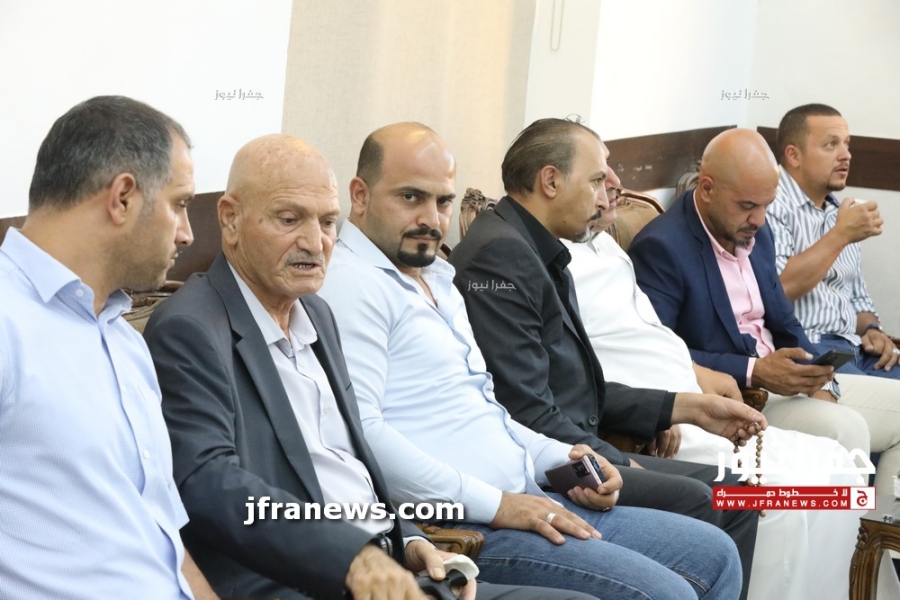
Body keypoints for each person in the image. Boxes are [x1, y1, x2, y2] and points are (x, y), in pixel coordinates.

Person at [143, 133, 595, 600]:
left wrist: (410, 541)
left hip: (394, 564)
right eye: (289, 219)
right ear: (230, 218)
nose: (315, 242)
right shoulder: (191, 327)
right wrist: (352, 558)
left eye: (327, 222)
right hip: (302, 581)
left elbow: (347, 469)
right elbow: (210, 486)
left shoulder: (316, 313)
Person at [320, 121, 745, 600]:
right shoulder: (352, 284)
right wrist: (500, 504)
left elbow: (491, 412)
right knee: (669, 590)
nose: (431, 219)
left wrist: (568, 460)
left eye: (442, 202)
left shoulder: (435, 275)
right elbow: (364, 435)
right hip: (463, 525)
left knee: (716, 553)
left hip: (531, 493)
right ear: (360, 195)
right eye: (410, 197)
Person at [447, 118, 762, 598]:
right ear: (551, 181)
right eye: (596, 179)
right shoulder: (501, 257)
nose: (607, 190)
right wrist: (617, 462)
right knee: (702, 497)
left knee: (737, 491)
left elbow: (577, 388)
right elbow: (525, 410)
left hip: (569, 444)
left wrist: (686, 407)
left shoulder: (536, 247)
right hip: (548, 465)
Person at [564, 165, 875, 600]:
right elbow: (580, 367)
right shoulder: (562, 259)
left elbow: (655, 335)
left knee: (839, 465)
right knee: (781, 500)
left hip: (695, 391)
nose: (616, 184)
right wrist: (659, 409)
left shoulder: (606, 246)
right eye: (598, 177)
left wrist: (698, 374)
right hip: (668, 415)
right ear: (552, 183)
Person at [0, 96, 216, 599]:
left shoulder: (124, 342)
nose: (188, 234)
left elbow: (161, 538)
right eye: (180, 204)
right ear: (122, 198)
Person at [627, 129, 900, 500]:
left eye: (767, 205)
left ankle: (873, 536)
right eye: (747, 206)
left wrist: (818, 378)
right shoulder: (662, 247)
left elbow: (785, 320)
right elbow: (660, 352)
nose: (758, 219)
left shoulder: (757, 230)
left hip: (785, 381)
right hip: (741, 395)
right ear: (707, 189)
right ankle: (847, 535)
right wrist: (754, 370)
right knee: (845, 428)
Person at [770, 103, 900, 378]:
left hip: (854, 348)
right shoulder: (771, 204)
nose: (846, 155)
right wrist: (841, 234)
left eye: (846, 144)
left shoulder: (840, 211)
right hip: (807, 349)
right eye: (831, 145)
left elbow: (859, 300)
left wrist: (873, 331)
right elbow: (778, 289)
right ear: (794, 155)